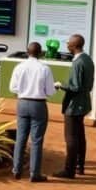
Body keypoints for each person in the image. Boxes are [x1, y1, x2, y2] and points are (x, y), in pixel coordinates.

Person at [9, 42, 56, 182]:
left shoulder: (19, 67)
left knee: (21, 138)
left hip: (22, 103)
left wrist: (24, 90)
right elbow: (50, 91)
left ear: (27, 52)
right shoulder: (44, 68)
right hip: (38, 105)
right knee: (36, 140)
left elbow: (13, 88)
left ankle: (16, 170)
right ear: (40, 52)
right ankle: (34, 174)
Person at [54, 34, 95, 179]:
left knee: (71, 138)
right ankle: (80, 166)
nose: (67, 45)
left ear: (74, 46)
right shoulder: (87, 59)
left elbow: (75, 86)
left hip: (74, 105)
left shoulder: (78, 63)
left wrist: (60, 85)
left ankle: (69, 170)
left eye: (69, 44)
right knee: (80, 136)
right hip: (83, 104)